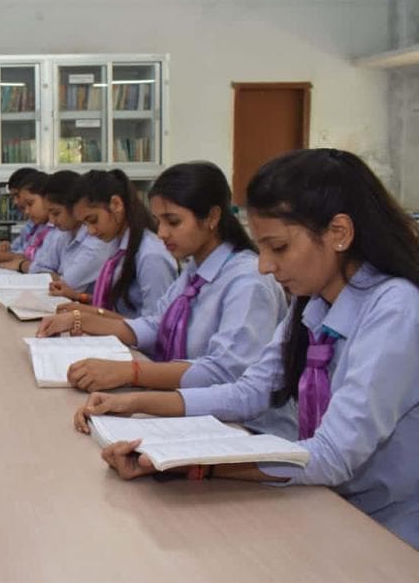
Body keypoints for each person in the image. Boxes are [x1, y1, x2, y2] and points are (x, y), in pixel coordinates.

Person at [75, 149, 419, 549]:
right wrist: (134, 403)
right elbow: (249, 390)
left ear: (339, 233)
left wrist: (192, 466)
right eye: (262, 247)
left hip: (385, 530)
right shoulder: (316, 298)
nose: (264, 266)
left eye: (279, 248)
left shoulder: (395, 309)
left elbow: (333, 454)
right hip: (318, 499)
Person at [37, 162, 291, 437]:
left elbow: (223, 374)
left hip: (247, 429)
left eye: (173, 222)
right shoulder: (196, 268)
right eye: (159, 222)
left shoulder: (248, 282)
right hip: (197, 408)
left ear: (212, 217)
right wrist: (81, 320)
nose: (162, 233)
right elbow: (156, 324)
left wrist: (129, 372)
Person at [62, 168, 177, 316]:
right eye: (85, 224)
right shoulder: (116, 244)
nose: (91, 231)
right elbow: (121, 307)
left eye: (93, 220)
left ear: (116, 204)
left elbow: (156, 325)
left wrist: (91, 318)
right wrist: (79, 298)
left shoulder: (151, 256)